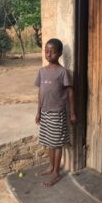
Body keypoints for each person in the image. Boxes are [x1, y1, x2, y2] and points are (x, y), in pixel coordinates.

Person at [34, 38, 77, 187]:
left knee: (57, 144)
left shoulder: (63, 72)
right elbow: (40, 93)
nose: (48, 54)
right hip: (45, 113)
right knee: (49, 142)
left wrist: (72, 113)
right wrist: (38, 111)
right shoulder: (42, 71)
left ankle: (56, 173)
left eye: (52, 51)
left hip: (57, 113)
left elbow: (70, 93)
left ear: (59, 54)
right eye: (46, 51)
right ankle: (51, 167)